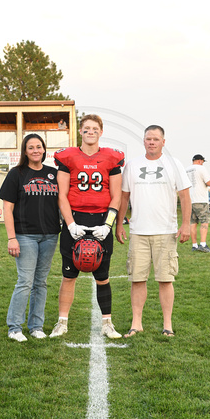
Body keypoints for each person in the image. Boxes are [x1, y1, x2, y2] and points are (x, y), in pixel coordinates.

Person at [49, 114, 125, 339]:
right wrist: (70, 224)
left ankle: (107, 323)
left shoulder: (112, 158)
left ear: (101, 132)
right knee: (68, 275)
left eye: (95, 128)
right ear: (80, 131)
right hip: (76, 218)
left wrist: (108, 225)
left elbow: (116, 196)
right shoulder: (68, 157)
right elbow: (61, 195)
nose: (90, 132)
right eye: (86, 128)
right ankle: (62, 322)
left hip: (102, 219)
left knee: (102, 275)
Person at [116, 125, 191, 338]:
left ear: (163, 142)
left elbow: (185, 197)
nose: (151, 142)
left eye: (156, 139)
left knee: (165, 279)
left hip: (166, 231)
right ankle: (136, 323)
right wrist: (120, 223)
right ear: (143, 141)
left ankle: (168, 324)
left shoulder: (174, 164)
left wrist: (185, 224)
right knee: (137, 279)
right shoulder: (132, 165)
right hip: (139, 231)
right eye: (148, 138)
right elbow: (124, 197)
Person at [0, 133, 60, 342]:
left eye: (39, 147)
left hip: (50, 235)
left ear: (44, 149)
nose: (35, 150)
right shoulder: (17, 174)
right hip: (25, 236)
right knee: (25, 281)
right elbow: (7, 208)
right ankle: (14, 327)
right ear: (25, 151)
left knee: (40, 283)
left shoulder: (53, 173)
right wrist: (11, 238)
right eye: (31, 147)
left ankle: (36, 326)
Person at [186, 154, 210, 253]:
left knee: (193, 223)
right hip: (201, 199)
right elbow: (208, 182)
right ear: (200, 161)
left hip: (190, 200)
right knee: (204, 222)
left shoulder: (186, 169)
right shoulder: (202, 168)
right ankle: (203, 244)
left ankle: (194, 245)